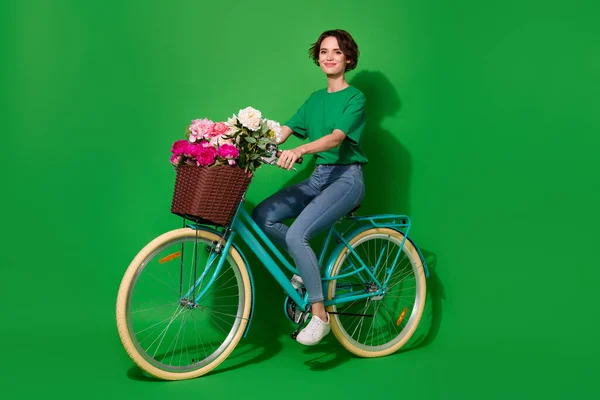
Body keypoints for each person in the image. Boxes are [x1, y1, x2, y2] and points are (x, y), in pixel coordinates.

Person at [252, 29, 368, 346]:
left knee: (295, 234)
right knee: (263, 216)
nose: (329, 57)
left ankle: (319, 316)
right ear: (317, 58)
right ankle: (306, 265)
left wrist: (301, 151)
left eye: (336, 52)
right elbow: (284, 132)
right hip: (319, 177)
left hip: (345, 179)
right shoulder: (315, 100)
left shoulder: (355, 98)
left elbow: (336, 138)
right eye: (323, 51)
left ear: (348, 58)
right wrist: (244, 146)